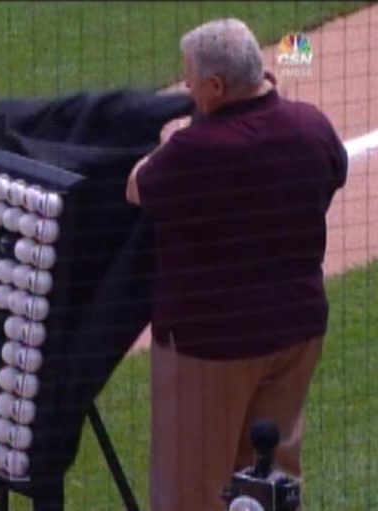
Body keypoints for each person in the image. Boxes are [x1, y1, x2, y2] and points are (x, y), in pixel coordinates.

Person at [125, 18, 347, 511]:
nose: (186, 89)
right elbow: (333, 173)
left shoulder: (193, 150)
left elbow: (137, 187)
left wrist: (172, 138)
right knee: (272, 485)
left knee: (192, 492)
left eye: (190, 81)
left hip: (210, 351)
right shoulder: (311, 126)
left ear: (216, 86)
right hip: (296, 332)